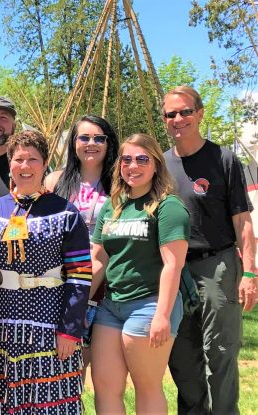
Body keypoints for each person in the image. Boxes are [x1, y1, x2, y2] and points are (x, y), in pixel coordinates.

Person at [163, 86, 258, 414]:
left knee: (220, 353)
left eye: (185, 111)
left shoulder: (224, 159)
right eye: (171, 114)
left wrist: (249, 272)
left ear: (199, 113)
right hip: (173, 273)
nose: (178, 119)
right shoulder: (159, 166)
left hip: (216, 265)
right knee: (181, 358)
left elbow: (243, 221)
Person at [0, 130, 91, 415]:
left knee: (49, 402)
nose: (25, 166)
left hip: (49, 322)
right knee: (4, 400)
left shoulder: (65, 213)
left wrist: (69, 330)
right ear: (10, 164)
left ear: (45, 164)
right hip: (1, 325)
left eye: (33, 159)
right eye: (19, 159)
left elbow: (80, 274)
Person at [90, 133, 189, 414]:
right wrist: (80, 300)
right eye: (127, 159)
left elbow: (173, 265)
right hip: (111, 306)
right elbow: (99, 258)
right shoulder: (113, 205)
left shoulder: (168, 206)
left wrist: (161, 315)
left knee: (147, 386)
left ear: (156, 164)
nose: (133, 166)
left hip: (150, 304)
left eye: (142, 159)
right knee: (105, 385)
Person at [45, 114, 119, 376]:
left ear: (110, 143)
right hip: (60, 280)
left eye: (100, 138)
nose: (92, 143)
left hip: (105, 282)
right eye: (84, 137)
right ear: (73, 142)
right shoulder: (54, 182)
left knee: (86, 365)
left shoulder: (120, 184)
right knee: (59, 365)